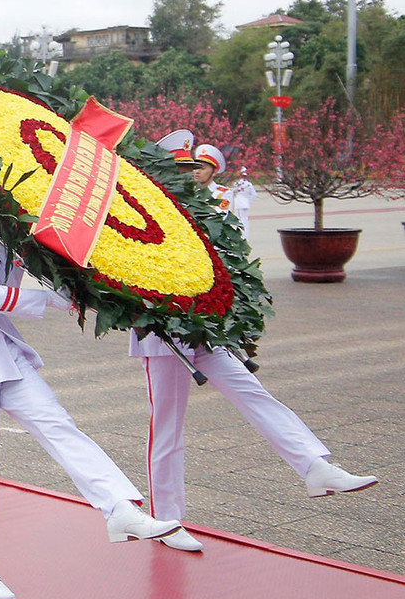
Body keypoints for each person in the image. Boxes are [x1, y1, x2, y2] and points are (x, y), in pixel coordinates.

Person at [0, 139, 181, 599]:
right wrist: (47, 300)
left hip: (4, 351)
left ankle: (120, 506)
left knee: (59, 426)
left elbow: (9, 270)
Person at [132, 134, 377, 553]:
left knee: (254, 394)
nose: (187, 179)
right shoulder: (140, 215)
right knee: (168, 429)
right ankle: (167, 520)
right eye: (178, 173)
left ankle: (315, 467)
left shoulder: (202, 212)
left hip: (206, 327)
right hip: (164, 337)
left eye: (190, 171)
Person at [230, 166, 257, 234]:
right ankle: (242, 234)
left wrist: (248, 201)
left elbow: (254, 195)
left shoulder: (248, 185)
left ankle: (243, 234)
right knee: (242, 219)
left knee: (242, 219)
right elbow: (231, 192)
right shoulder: (237, 184)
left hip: (241, 203)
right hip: (240, 203)